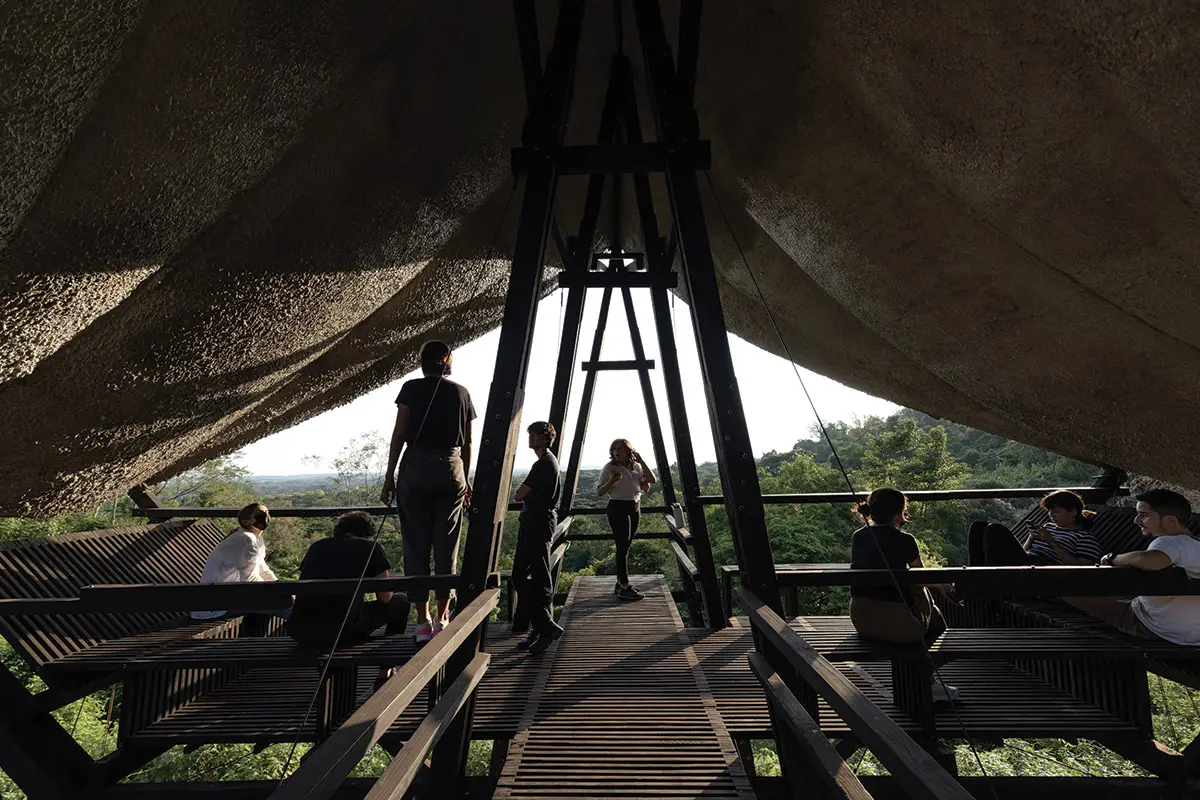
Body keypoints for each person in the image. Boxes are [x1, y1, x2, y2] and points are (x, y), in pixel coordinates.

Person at [380, 340, 475, 643]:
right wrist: (466, 478)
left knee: (415, 544)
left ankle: (422, 621)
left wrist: (389, 477)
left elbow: (399, 435)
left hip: (416, 469)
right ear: (447, 363)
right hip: (451, 468)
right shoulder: (461, 393)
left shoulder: (411, 389)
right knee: (447, 545)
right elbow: (468, 443)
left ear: (423, 362)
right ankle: (443, 616)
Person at [848, 488, 958, 702]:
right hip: (901, 626)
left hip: (861, 619)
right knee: (932, 615)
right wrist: (942, 586)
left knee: (915, 596)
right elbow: (921, 575)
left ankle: (921, 679)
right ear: (899, 514)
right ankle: (926, 681)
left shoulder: (858, 536)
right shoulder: (905, 540)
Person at [287, 511, 411, 687]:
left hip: (302, 629)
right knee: (401, 602)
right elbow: (385, 597)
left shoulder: (317, 546)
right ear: (368, 531)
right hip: (342, 629)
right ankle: (385, 670)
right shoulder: (371, 547)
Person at [1064, 489, 1200, 647]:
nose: (1136, 520)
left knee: (1065, 589)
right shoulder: (1193, 545)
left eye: (1144, 515)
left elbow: (1148, 560)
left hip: (1156, 626)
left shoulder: (1170, 542)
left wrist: (1112, 558)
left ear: (1170, 521)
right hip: (1192, 633)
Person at [512, 421, 564, 656]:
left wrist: (523, 493)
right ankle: (539, 627)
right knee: (533, 576)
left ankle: (546, 627)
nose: (530, 438)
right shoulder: (549, 462)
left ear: (545, 437)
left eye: (533, 435)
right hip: (539, 522)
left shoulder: (542, 464)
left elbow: (519, 494)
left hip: (536, 523)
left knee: (529, 577)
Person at [192, 503, 285, 621]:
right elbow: (250, 579)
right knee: (287, 606)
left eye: (267, 512)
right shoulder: (246, 539)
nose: (265, 516)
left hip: (225, 598)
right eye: (260, 513)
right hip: (217, 606)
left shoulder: (255, 538)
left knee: (288, 603)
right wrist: (277, 594)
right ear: (245, 521)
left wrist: (280, 586)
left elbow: (262, 569)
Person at [967, 490, 1103, 566]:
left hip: (1044, 570)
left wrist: (1052, 542)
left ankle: (987, 585)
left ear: (1073, 512)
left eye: (1056, 511)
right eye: (1049, 511)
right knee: (978, 527)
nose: (1051, 515)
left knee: (995, 530)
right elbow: (1024, 551)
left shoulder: (1085, 538)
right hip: (1028, 561)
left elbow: (1083, 569)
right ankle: (975, 581)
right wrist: (1031, 538)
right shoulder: (1049, 527)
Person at [596, 438, 656, 602]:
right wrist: (612, 481)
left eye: (620, 448)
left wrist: (641, 460)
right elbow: (600, 492)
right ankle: (624, 585)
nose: (616, 451)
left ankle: (620, 584)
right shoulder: (610, 467)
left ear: (629, 451)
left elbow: (652, 480)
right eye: (614, 448)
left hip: (634, 506)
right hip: (617, 507)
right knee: (622, 546)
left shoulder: (636, 466)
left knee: (626, 545)